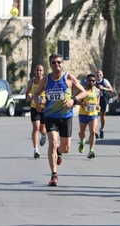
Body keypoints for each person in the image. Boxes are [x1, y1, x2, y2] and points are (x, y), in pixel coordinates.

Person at [34, 53, 87, 186]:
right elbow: (36, 94)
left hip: (66, 117)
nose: (56, 65)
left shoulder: (68, 77)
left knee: (66, 148)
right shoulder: (45, 80)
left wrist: (72, 100)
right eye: (53, 63)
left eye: (59, 62)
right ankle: (54, 175)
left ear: (62, 64)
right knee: (52, 142)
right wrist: (37, 105)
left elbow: (83, 92)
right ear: (50, 65)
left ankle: (59, 152)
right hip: (50, 116)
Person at [26, 64, 46, 159]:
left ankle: (44, 135)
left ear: (43, 72)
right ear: (34, 71)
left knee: (42, 129)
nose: (39, 72)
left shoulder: (46, 82)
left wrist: (44, 101)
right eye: (37, 70)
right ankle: (36, 150)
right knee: (36, 127)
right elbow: (27, 94)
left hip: (44, 108)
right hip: (34, 108)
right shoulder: (31, 82)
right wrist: (29, 97)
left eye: (40, 70)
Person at [77, 74, 100, 159]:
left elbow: (98, 102)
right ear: (87, 81)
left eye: (93, 81)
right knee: (82, 133)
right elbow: (74, 101)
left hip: (93, 114)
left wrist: (98, 106)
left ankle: (91, 151)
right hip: (83, 114)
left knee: (93, 132)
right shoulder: (82, 90)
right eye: (89, 80)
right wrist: (83, 103)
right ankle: (82, 141)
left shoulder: (97, 91)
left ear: (95, 82)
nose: (91, 82)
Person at [95, 70, 114, 139]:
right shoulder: (93, 82)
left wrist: (104, 88)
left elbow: (111, 90)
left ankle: (102, 129)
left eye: (100, 75)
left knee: (102, 116)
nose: (98, 76)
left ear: (102, 75)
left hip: (103, 100)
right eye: (97, 75)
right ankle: (95, 131)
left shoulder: (104, 81)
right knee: (95, 116)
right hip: (95, 100)